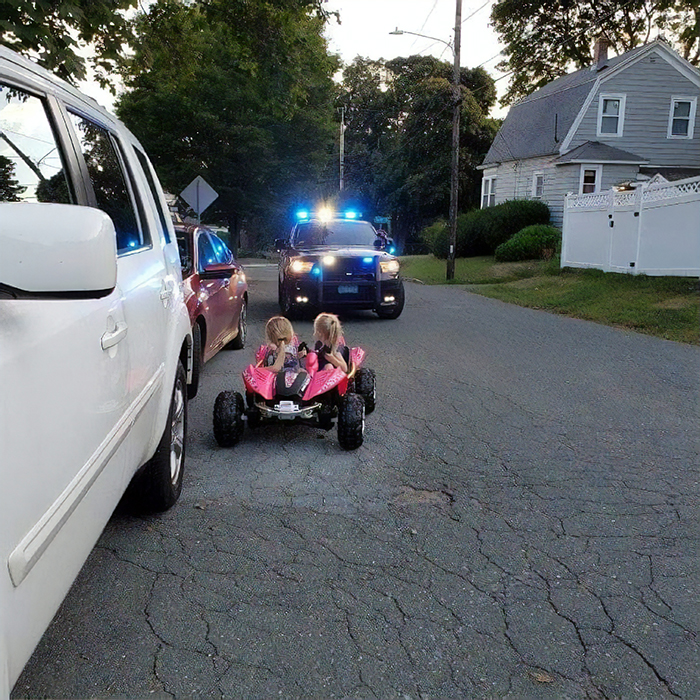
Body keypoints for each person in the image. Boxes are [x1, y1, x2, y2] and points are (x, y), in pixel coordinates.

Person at [262, 316, 309, 395]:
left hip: (277, 382)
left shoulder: (272, 350)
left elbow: (274, 368)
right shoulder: (294, 347)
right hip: (296, 379)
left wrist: (259, 370)